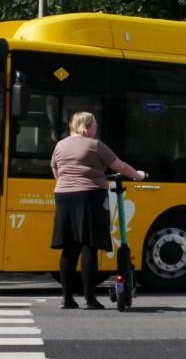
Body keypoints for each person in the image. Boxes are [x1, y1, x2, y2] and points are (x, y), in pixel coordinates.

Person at [50, 112, 145, 310]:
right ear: (86, 127)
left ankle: (67, 299)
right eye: (94, 125)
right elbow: (120, 166)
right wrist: (138, 176)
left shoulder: (60, 145)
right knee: (89, 246)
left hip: (63, 197)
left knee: (69, 247)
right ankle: (90, 299)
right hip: (89, 196)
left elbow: (55, 169)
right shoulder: (94, 145)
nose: (97, 127)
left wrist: (67, 183)